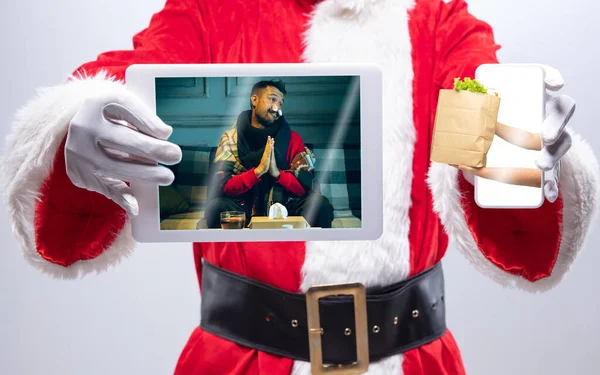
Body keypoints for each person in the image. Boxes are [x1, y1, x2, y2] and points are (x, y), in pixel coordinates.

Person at [1, 1, 598, 375]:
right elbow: (127, 94)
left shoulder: (442, 23)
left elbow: (481, 121)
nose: (273, 107)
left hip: (411, 358)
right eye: (266, 100)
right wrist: (78, 130)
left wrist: (513, 151)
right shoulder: (213, 13)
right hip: (241, 359)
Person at [203, 80, 334, 229]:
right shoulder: (231, 138)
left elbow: (304, 187)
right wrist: (258, 172)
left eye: (280, 103)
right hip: (244, 208)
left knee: (320, 205)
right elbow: (222, 186)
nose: (276, 107)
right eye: (272, 99)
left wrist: (277, 174)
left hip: (286, 208)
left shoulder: (293, 138)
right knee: (216, 208)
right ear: (254, 100)